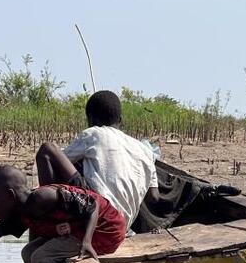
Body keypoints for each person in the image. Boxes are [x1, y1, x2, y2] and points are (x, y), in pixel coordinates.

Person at [34, 90, 158, 231]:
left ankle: (52, 218)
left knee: (47, 151)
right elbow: (154, 197)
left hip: (98, 214)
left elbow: (59, 160)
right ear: (120, 120)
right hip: (122, 226)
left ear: (90, 119)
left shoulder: (93, 134)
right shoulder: (145, 151)